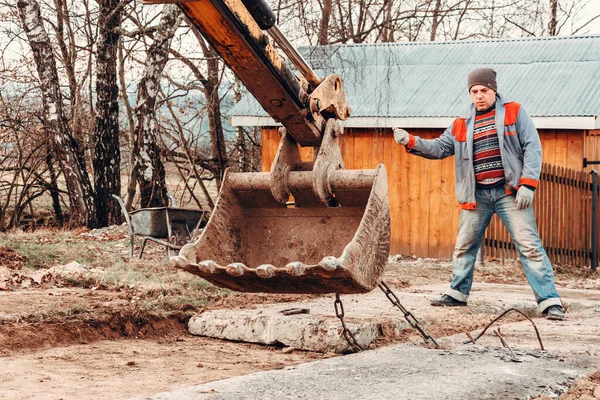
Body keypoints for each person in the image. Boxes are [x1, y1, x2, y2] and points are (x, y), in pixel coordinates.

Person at [393, 67, 564, 320]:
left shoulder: (515, 112)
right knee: (464, 246)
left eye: (484, 90)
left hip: (510, 193)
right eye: (474, 91)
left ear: (494, 90)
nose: (479, 95)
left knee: (530, 247)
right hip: (477, 196)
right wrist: (411, 141)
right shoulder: (461, 123)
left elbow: (532, 147)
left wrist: (528, 184)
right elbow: (440, 148)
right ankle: (457, 294)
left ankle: (550, 302)